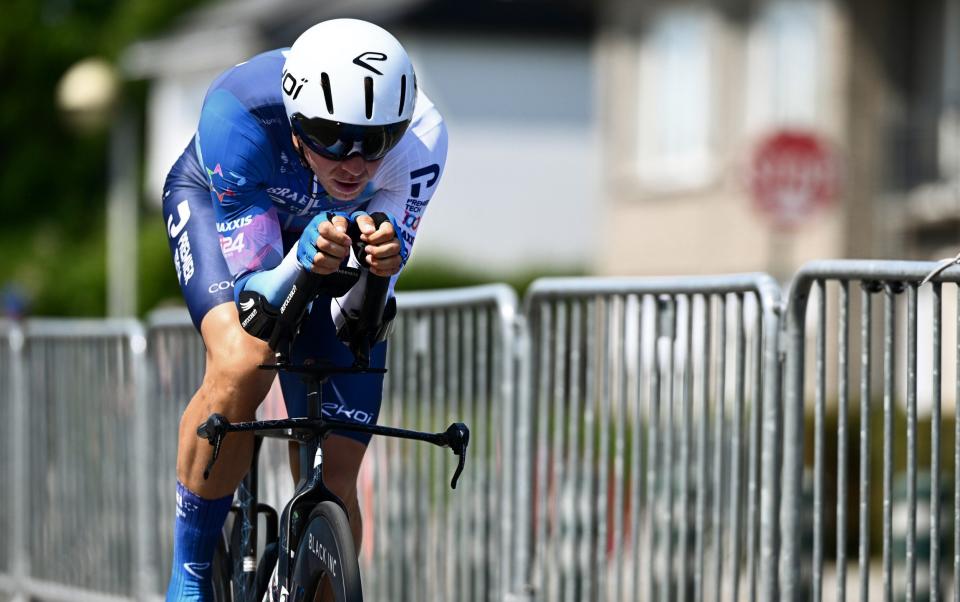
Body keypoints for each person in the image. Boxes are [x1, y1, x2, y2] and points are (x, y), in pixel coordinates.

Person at [160, 18, 447, 600]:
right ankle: (189, 572)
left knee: (337, 476)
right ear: (295, 122)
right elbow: (257, 304)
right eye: (331, 137)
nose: (356, 164)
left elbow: (362, 317)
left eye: (375, 143)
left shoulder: (422, 139)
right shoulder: (237, 115)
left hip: (327, 239)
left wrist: (379, 268)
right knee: (244, 359)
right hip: (223, 207)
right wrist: (299, 261)